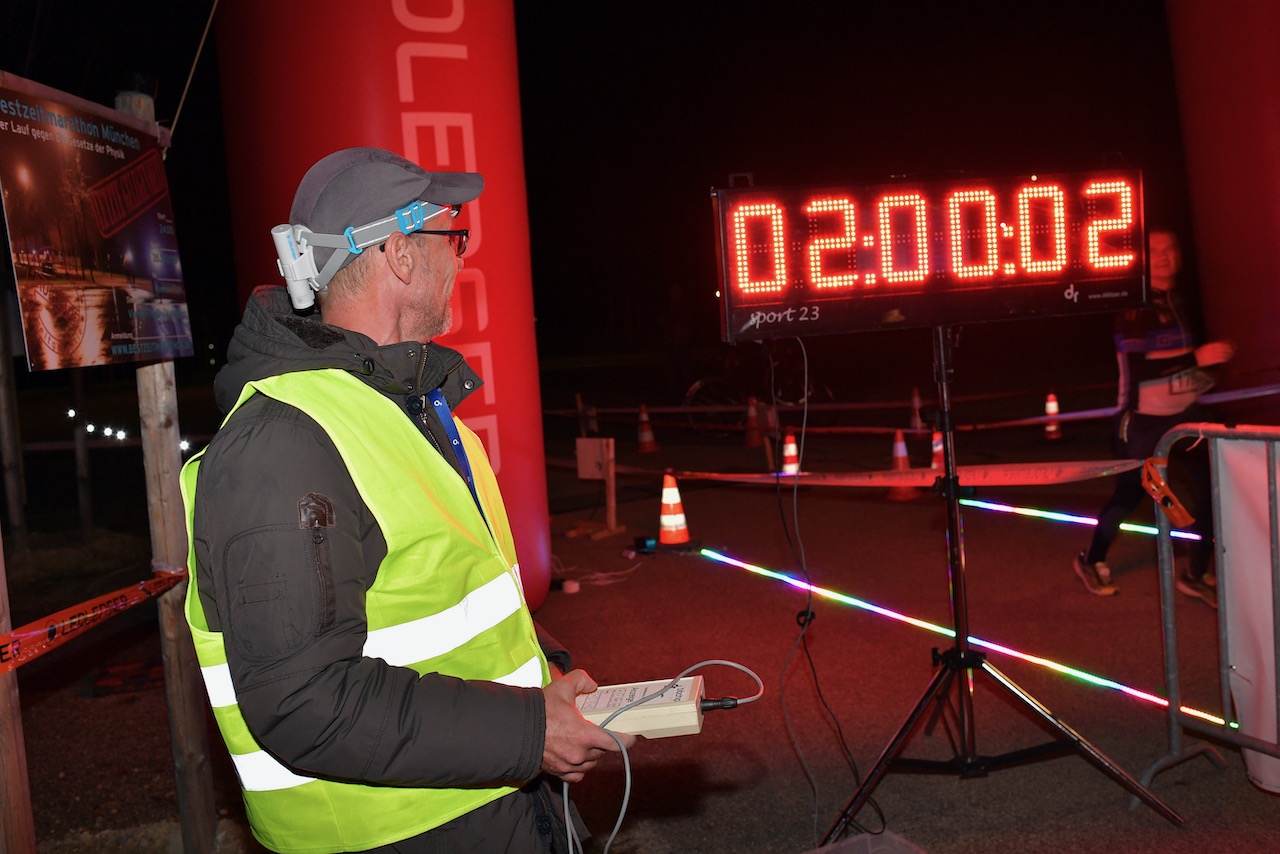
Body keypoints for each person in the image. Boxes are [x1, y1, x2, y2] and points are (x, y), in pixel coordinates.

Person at [179, 147, 633, 853]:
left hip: (494, 807)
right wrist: (529, 731)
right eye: (452, 238)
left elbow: (450, 607)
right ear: (397, 253)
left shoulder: (412, 409)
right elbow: (304, 702)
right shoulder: (283, 443)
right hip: (397, 835)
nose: (461, 259)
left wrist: (551, 684)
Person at [1073, 228, 1233, 607]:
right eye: (1155, 250)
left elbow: (1184, 371)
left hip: (1183, 419)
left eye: (1171, 248)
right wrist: (1198, 359)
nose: (1164, 256)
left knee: (1213, 488)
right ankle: (1091, 559)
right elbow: (1144, 373)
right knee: (1128, 496)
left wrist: (1209, 379)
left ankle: (1195, 573)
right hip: (1140, 422)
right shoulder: (1135, 305)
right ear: (1143, 259)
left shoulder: (1179, 300)